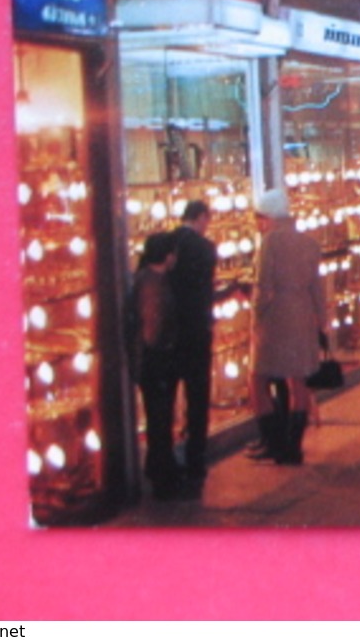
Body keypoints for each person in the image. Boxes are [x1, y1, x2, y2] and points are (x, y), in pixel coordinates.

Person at [248, 188, 326, 465]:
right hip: (303, 313)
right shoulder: (308, 243)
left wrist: (256, 318)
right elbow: (317, 285)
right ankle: (293, 446)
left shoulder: (270, 242)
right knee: (298, 382)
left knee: (257, 379)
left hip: (277, 316)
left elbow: (263, 284)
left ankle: (275, 441)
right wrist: (321, 320)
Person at [127, 231, 182, 498]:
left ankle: (159, 467)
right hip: (157, 361)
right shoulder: (153, 284)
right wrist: (166, 349)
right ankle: (163, 476)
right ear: (167, 255)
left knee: (159, 418)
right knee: (160, 419)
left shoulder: (148, 279)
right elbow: (152, 329)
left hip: (153, 361)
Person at [168, 199, 217, 492]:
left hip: (171, 332)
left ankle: (171, 455)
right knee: (198, 397)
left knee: (170, 395)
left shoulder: (167, 243)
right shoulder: (204, 248)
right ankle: (196, 458)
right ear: (200, 218)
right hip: (197, 330)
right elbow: (205, 290)